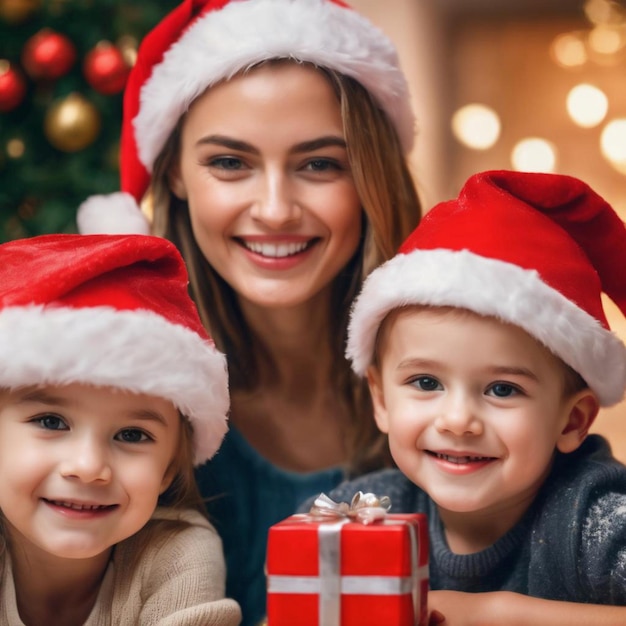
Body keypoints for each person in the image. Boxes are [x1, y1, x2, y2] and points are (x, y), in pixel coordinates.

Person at [76, 0, 422, 623]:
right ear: (175, 174)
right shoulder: (119, 393)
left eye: (320, 164)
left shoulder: (455, 375)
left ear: (370, 174)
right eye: (230, 162)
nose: (274, 209)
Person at [309, 170, 626, 625]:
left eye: (502, 389)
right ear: (380, 400)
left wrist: (503, 615)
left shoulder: (595, 521)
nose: (458, 420)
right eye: (425, 383)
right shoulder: (362, 516)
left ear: (572, 421)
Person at [0, 233, 242, 625]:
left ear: (166, 471)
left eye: (132, 435)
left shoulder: (177, 555)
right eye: (51, 422)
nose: (88, 465)